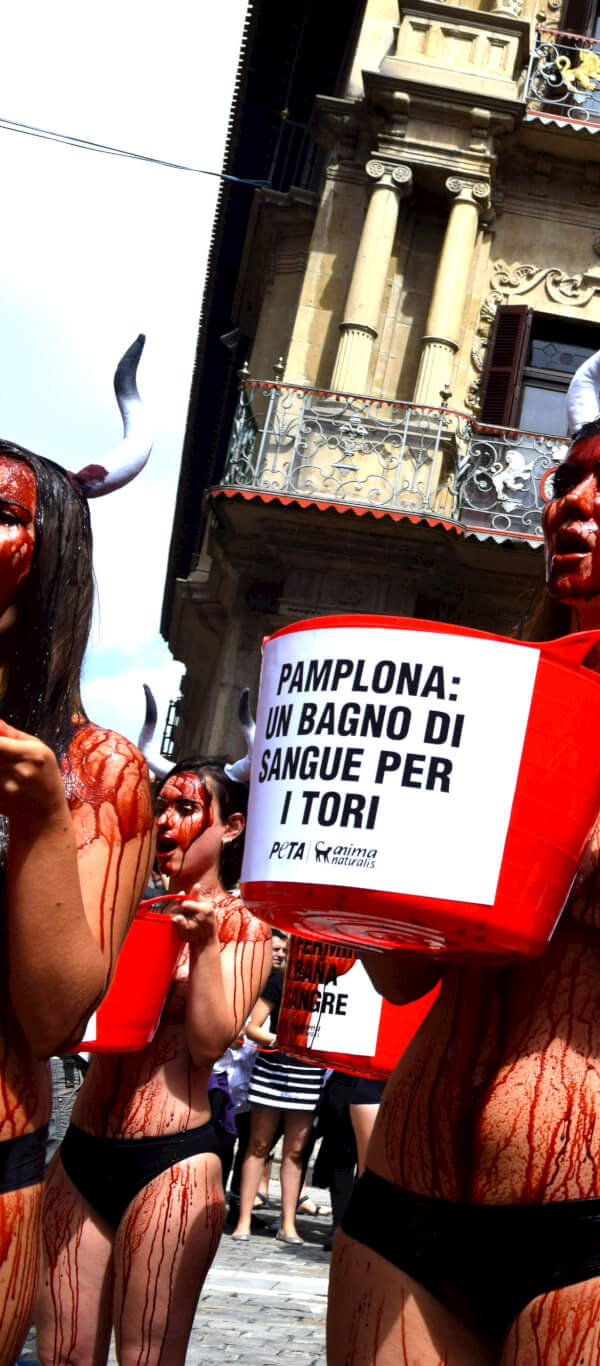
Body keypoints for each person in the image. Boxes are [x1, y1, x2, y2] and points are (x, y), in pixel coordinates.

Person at [327, 301, 600, 1364]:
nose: (573, 500)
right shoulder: (482, 708)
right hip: (406, 1199)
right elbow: (396, 980)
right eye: (564, 481)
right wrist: (365, 833)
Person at [0, 338, 159, 1358]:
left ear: (50, 553)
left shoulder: (95, 770)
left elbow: (59, 1012)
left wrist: (44, 825)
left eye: (2, 514)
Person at [39, 754, 269, 1364]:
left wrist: (207, 948)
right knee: (62, 1352)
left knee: (148, 1357)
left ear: (232, 828)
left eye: (187, 808)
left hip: (171, 1164)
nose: (166, 821)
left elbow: (206, 1046)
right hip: (83, 1152)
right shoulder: (121, 907)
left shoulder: (243, 927)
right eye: (161, 806)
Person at [232, 930, 324, 1243]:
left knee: (296, 1151)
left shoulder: (327, 987)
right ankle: (243, 1220)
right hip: (273, 1069)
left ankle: (288, 1225)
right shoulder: (278, 982)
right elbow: (252, 1028)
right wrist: (277, 1039)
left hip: (309, 1073)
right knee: (258, 1145)